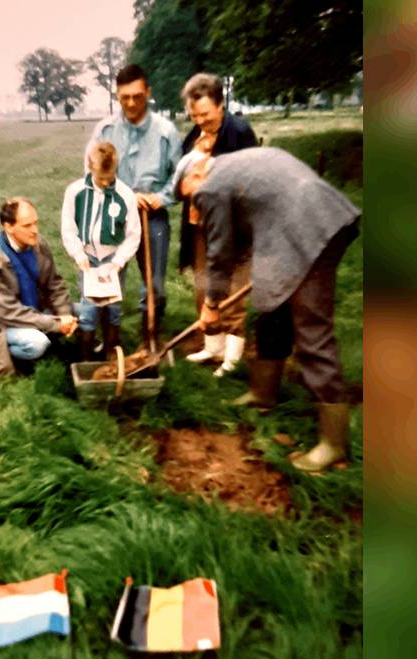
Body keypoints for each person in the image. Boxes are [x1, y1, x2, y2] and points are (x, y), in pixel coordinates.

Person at [177, 147, 362, 475]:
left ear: (194, 175)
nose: (193, 206)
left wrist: (211, 305)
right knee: (270, 307)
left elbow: (219, 253)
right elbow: (251, 227)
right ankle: (263, 393)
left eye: (186, 196)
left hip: (308, 231)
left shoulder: (209, 185)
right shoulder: (237, 164)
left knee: (313, 333)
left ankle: (333, 445)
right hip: (310, 222)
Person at [85, 64, 183, 348]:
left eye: (137, 96)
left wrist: (159, 198)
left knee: (155, 285)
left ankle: (149, 337)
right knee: (109, 279)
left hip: (153, 219)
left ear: (148, 93)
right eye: (124, 97)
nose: (131, 103)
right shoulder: (105, 130)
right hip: (113, 217)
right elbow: (91, 175)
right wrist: (124, 195)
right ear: (117, 94)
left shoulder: (166, 132)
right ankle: (109, 341)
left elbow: (180, 178)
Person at [177, 73, 257, 376]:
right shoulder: (192, 138)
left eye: (206, 114)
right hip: (200, 225)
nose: (200, 120)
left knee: (232, 288)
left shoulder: (239, 133)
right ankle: (213, 347)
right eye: (194, 115)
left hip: (235, 227)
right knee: (204, 285)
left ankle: (232, 360)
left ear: (221, 104)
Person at [0, 197, 78, 376]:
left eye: (36, 223)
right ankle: (20, 365)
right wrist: (54, 324)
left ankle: (77, 352)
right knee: (37, 343)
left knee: (85, 312)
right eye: (27, 225)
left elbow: (55, 284)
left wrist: (64, 315)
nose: (35, 230)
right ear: (9, 227)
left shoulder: (39, 244)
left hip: (38, 312)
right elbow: (9, 312)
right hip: (6, 324)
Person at [62, 141, 142, 360]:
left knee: (113, 306)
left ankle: (110, 353)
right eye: (101, 178)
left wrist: (119, 261)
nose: (106, 182)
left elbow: (133, 234)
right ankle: (85, 360)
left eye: (110, 177)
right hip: (88, 258)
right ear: (89, 166)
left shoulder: (125, 194)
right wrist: (78, 254)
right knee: (89, 307)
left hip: (113, 258)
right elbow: (68, 228)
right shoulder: (75, 192)